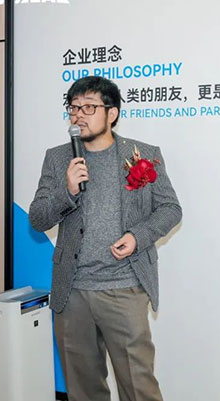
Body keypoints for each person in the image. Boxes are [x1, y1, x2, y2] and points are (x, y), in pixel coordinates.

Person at [28, 76, 182, 401]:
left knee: (138, 388)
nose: (78, 116)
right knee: (83, 390)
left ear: (112, 113)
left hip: (124, 288)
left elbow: (170, 209)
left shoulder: (143, 154)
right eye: (73, 108)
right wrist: (67, 191)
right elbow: (38, 219)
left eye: (88, 107)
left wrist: (137, 237)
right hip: (72, 292)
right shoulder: (57, 158)